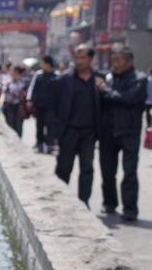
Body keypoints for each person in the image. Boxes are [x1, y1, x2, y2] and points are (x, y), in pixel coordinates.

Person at [97, 45, 147, 221]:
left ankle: (130, 208)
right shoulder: (108, 78)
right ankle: (109, 203)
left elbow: (128, 99)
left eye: (118, 60)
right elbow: (102, 99)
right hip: (108, 132)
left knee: (129, 172)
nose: (114, 63)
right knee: (107, 171)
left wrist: (106, 91)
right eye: (113, 60)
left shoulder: (139, 79)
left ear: (128, 61)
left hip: (129, 132)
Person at [55, 44, 101, 208]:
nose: (79, 61)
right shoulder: (65, 79)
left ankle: (84, 202)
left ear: (90, 59)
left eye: (83, 57)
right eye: (77, 57)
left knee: (87, 168)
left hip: (89, 132)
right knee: (63, 168)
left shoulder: (98, 80)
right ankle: (61, 200)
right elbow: (55, 105)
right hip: (69, 131)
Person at [26, 56, 59, 153]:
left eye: (43, 63)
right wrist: (29, 99)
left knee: (51, 125)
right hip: (39, 105)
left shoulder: (56, 75)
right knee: (39, 125)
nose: (41, 65)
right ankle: (39, 143)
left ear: (48, 64)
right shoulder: (38, 75)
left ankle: (50, 144)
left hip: (52, 106)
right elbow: (32, 87)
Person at [1, 66, 27, 136]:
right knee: (10, 123)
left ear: (17, 73)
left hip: (19, 106)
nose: (11, 73)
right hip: (9, 105)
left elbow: (23, 94)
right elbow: (3, 92)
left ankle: (18, 139)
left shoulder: (23, 82)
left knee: (18, 124)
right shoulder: (7, 81)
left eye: (12, 71)